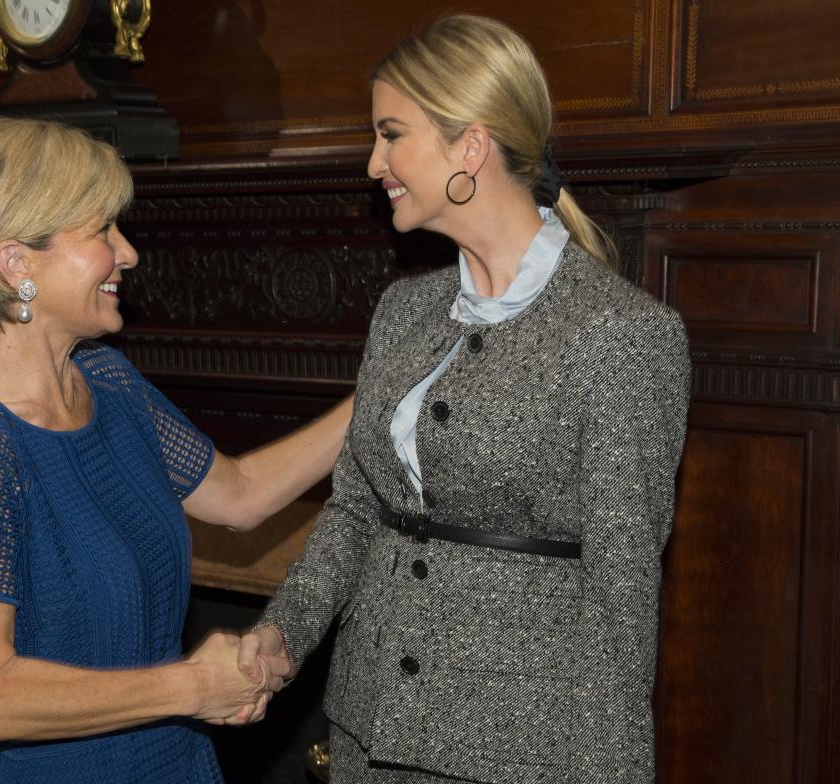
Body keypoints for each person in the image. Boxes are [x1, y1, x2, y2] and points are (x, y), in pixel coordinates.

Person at [238, 14, 691, 784]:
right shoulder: (402, 313)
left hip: (518, 754)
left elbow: (623, 609)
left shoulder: (622, 336)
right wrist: (287, 627)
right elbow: (355, 510)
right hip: (364, 731)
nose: (373, 162)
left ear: (470, 147)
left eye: (391, 134)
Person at [0, 116, 348, 783]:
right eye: (102, 231)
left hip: (180, 766)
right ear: (15, 262)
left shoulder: (109, 381)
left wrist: (384, 393)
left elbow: (240, 495)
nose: (129, 252)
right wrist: (193, 687)